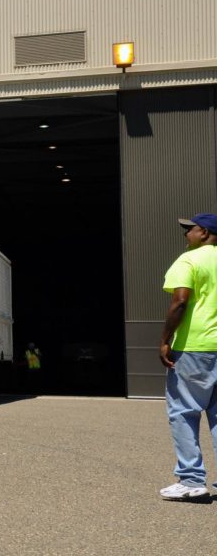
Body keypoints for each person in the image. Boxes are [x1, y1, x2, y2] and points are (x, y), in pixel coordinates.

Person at [159, 212, 217, 501]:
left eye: (189, 230)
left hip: (195, 348)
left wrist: (165, 340)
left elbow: (180, 301)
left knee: (184, 412)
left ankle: (192, 480)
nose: (186, 235)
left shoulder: (189, 260)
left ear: (204, 232)